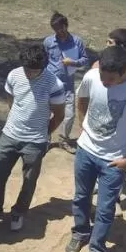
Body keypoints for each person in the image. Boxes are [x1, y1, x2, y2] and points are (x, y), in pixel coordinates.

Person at [64, 45, 126, 252]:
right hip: (85, 150)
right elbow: (81, 97)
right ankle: (80, 232)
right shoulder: (93, 76)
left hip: (113, 161)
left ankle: (97, 250)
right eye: (103, 77)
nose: (105, 82)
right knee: (81, 197)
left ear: (125, 71)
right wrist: (83, 123)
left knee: (105, 209)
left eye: (111, 79)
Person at [0, 44, 66, 231]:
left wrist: (44, 132)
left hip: (35, 141)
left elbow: (59, 114)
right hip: (10, 135)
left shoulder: (54, 84)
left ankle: (18, 212)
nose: (29, 73)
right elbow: (11, 100)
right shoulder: (15, 74)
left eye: (34, 70)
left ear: (44, 66)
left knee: (29, 181)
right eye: (27, 69)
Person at [44, 12, 89, 152]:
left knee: (69, 114)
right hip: (50, 84)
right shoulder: (48, 42)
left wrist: (73, 62)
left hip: (67, 85)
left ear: (66, 25)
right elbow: (43, 60)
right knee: (47, 113)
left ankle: (64, 140)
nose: (59, 32)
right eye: (56, 29)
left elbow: (85, 59)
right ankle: (45, 139)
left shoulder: (77, 41)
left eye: (61, 28)